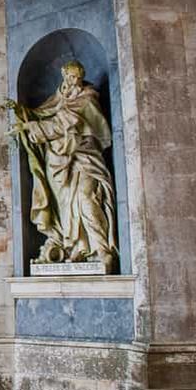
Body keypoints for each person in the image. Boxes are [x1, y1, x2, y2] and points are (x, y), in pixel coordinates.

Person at [8, 60, 117, 268]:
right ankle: (77, 247)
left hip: (85, 159)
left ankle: (102, 250)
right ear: (63, 75)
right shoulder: (60, 98)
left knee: (86, 198)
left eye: (77, 77)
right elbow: (42, 113)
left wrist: (28, 126)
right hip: (59, 163)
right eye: (70, 77)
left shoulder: (87, 100)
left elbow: (61, 124)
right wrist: (19, 112)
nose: (73, 81)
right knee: (65, 205)